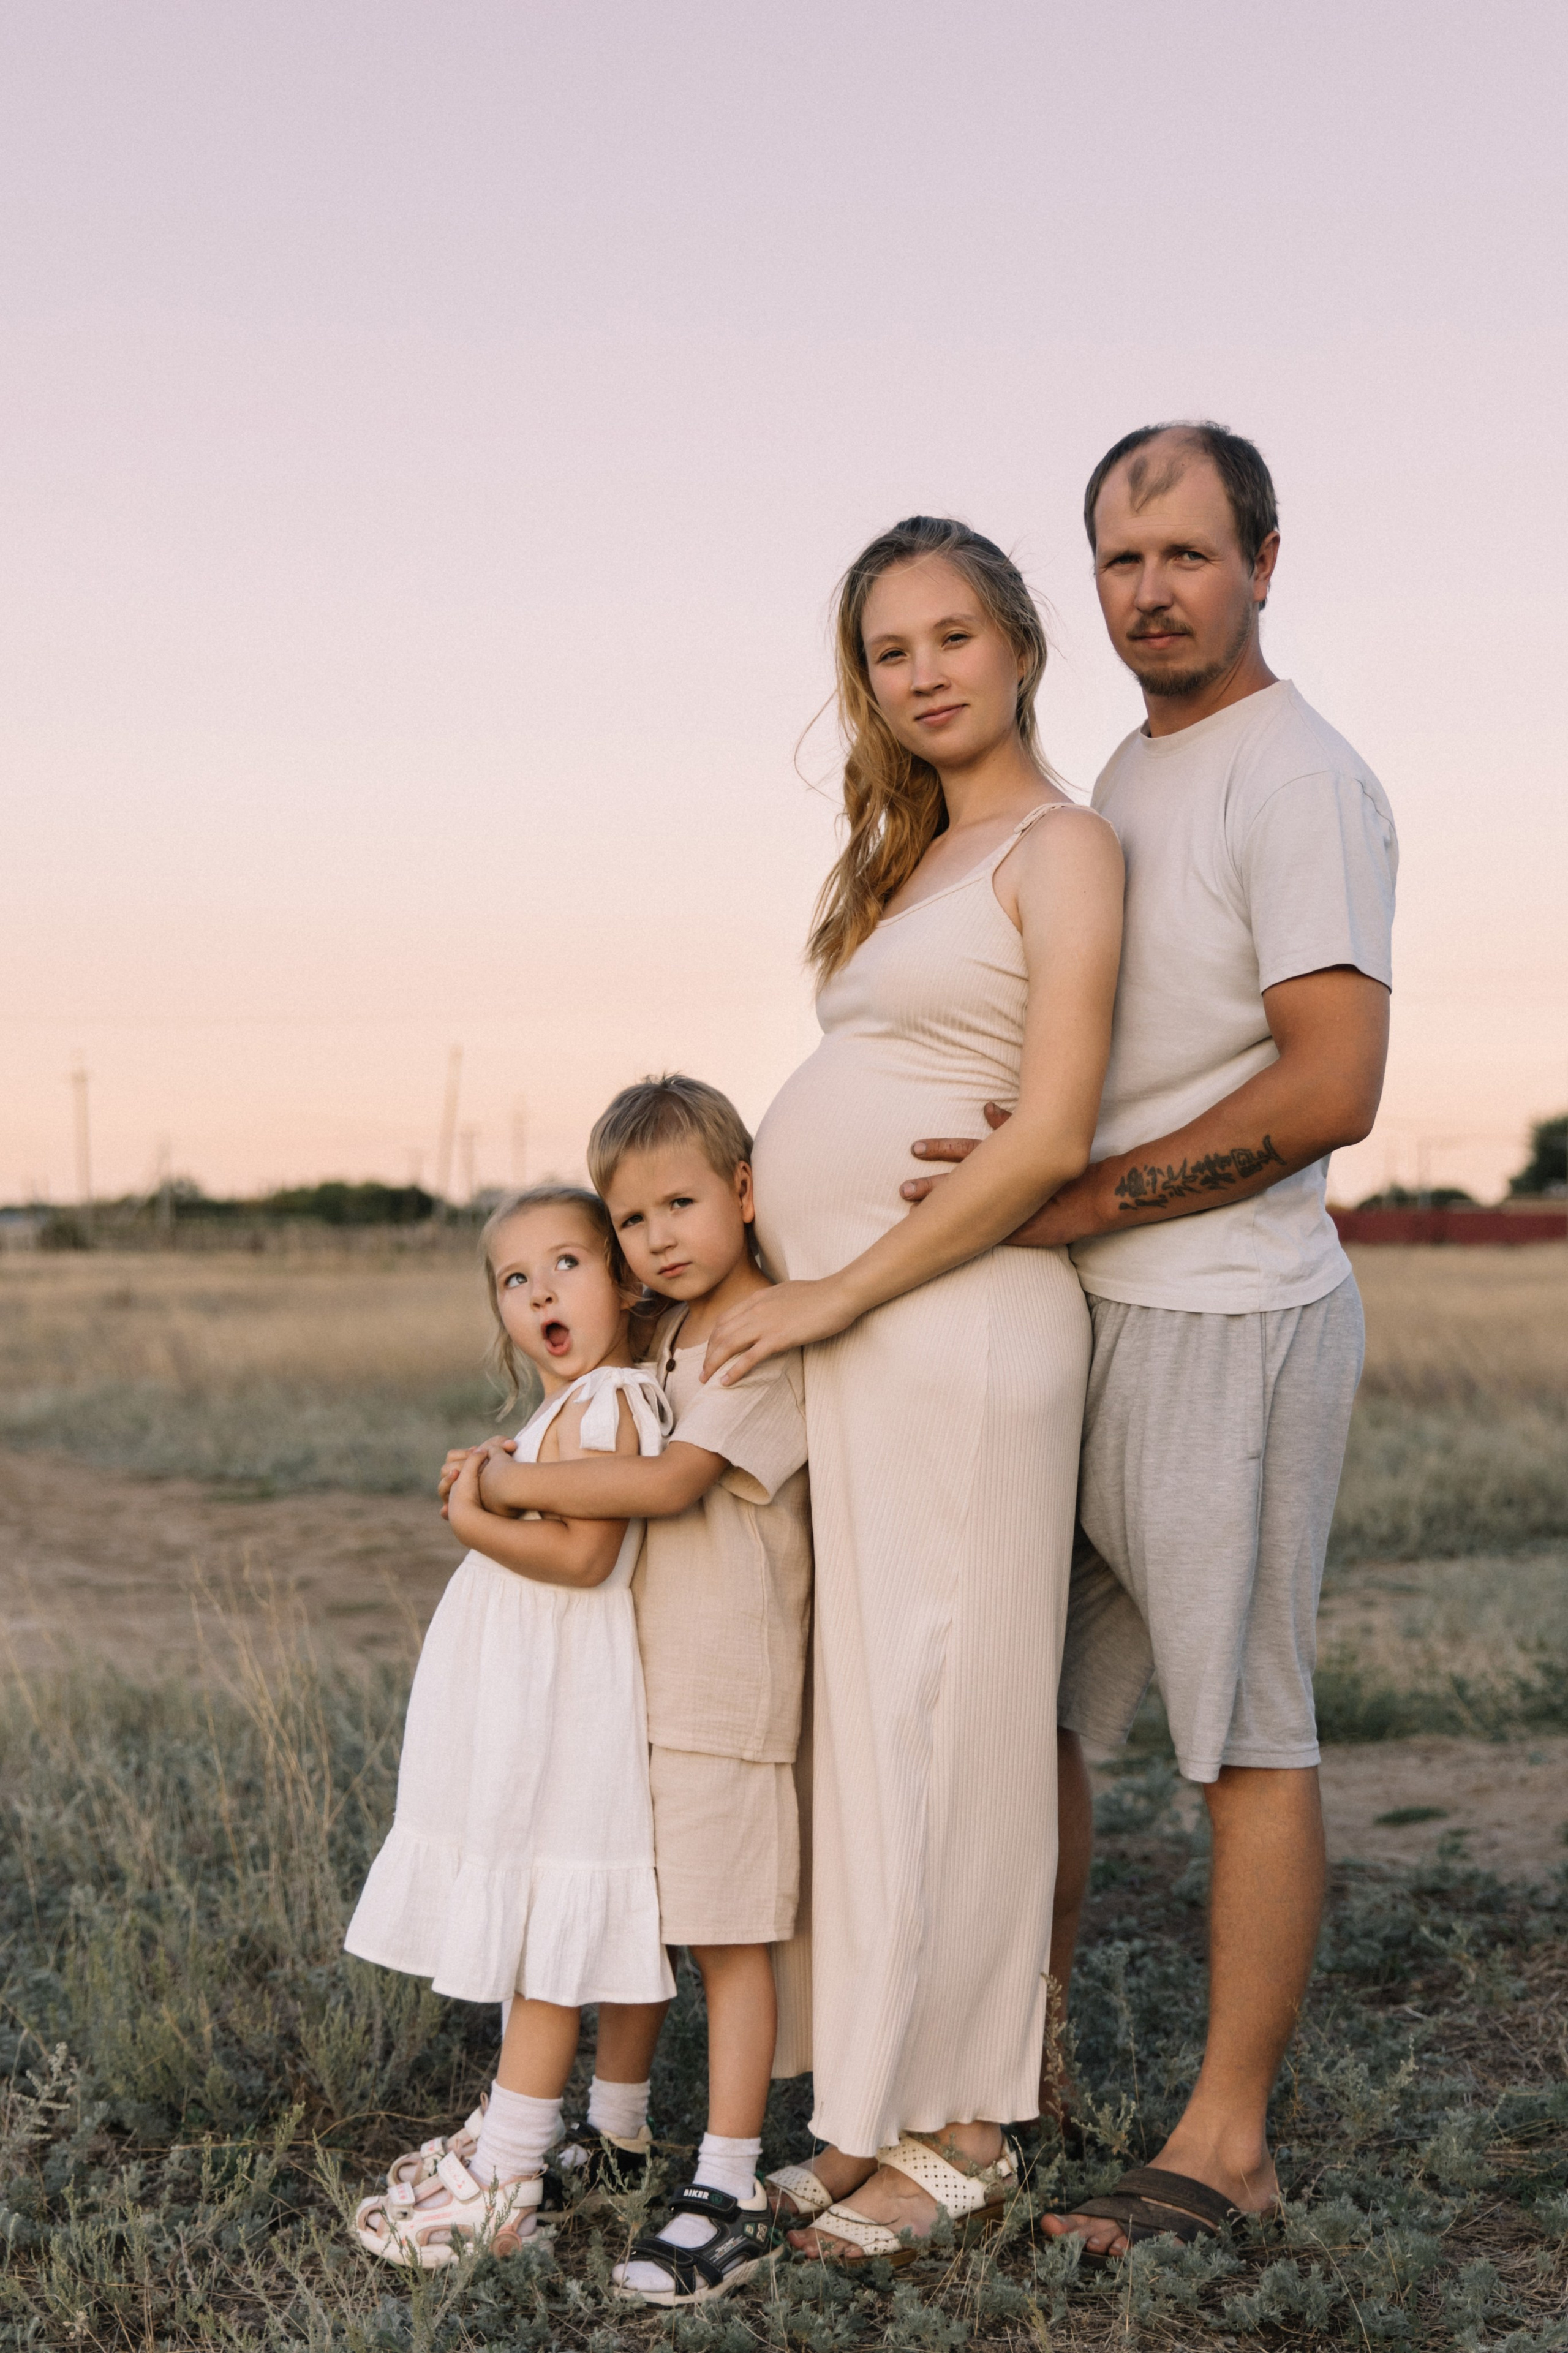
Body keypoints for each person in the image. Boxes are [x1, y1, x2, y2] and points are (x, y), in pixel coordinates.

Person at [906, 423, 1397, 2254]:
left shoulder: (1302, 778)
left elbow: (1334, 1081)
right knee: (1031, 1719)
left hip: (1230, 1323)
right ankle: (999, 2081)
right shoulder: (1125, 761)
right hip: (1091, 1325)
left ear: (1266, 559)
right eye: (1121, 561)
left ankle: (1227, 2144)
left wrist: (1077, 1198)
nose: (1152, 592)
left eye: (1188, 554)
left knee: (1244, 1736)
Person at [701, 516, 1124, 2264]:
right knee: (871, 1726)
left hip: (960, 1327)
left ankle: (967, 2126)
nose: (928, 670)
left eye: (956, 634)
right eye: (892, 650)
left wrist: (837, 1288)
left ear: (1021, 646)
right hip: (871, 1334)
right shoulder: (912, 857)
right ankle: (872, 2098)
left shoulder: (1065, 845)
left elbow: (1048, 1128)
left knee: (949, 1717)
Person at [473, 1075, 813, 2308]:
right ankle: (615, 2128)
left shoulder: (757, 1332)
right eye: (630, 1219)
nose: (658, 1236)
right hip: (641, 1690)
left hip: (726, 1689)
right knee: (633, 1914)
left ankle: (728, 2183)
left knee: (726, 1936)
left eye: (681, 1202)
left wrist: (503, 1488)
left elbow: (670, 1485)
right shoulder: (662, 1335)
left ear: (743, 1192)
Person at [347, 1185, 676, 2269]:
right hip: (548, 1692)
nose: (542, 1289)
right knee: (571, 1913)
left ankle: (510, 2174)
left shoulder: (608, 1403)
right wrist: (503, 1474)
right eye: (516, 1277)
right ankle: (559, 2135)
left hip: (562, 1698)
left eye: (568, 1263)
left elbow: (584, 1556)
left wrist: (474, 1513)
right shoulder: (565, 1414)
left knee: (544, 1930)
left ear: (625, 1281)